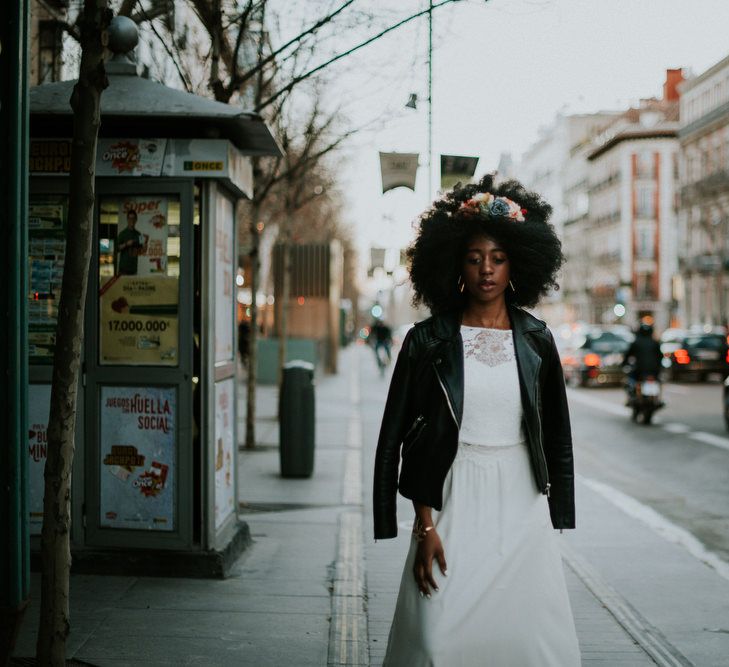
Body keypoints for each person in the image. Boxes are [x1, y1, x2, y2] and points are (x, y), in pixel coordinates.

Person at [373, 174, 580, 666]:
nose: (486, 269)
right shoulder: (427, 341)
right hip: (453, 499)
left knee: (527, 642)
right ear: (455, 265)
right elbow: (395, 437)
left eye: (498, 258)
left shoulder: (537, 340)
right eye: (474, 258)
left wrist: (559, 513)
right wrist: (421, 526)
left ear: (517, 265)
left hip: (521, 501)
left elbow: (557, 435)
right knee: (435, 638)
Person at [116, 209, 147, 275]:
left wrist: (145, 246)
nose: (131, 220)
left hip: (133, 270)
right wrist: (126, 244)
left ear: (136, 220)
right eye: (130, 218)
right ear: (127, 219)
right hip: (123, 270)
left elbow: (142, 250)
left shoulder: (139, 234)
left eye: (133, 218)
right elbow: (117, 249)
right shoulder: (122, 234)